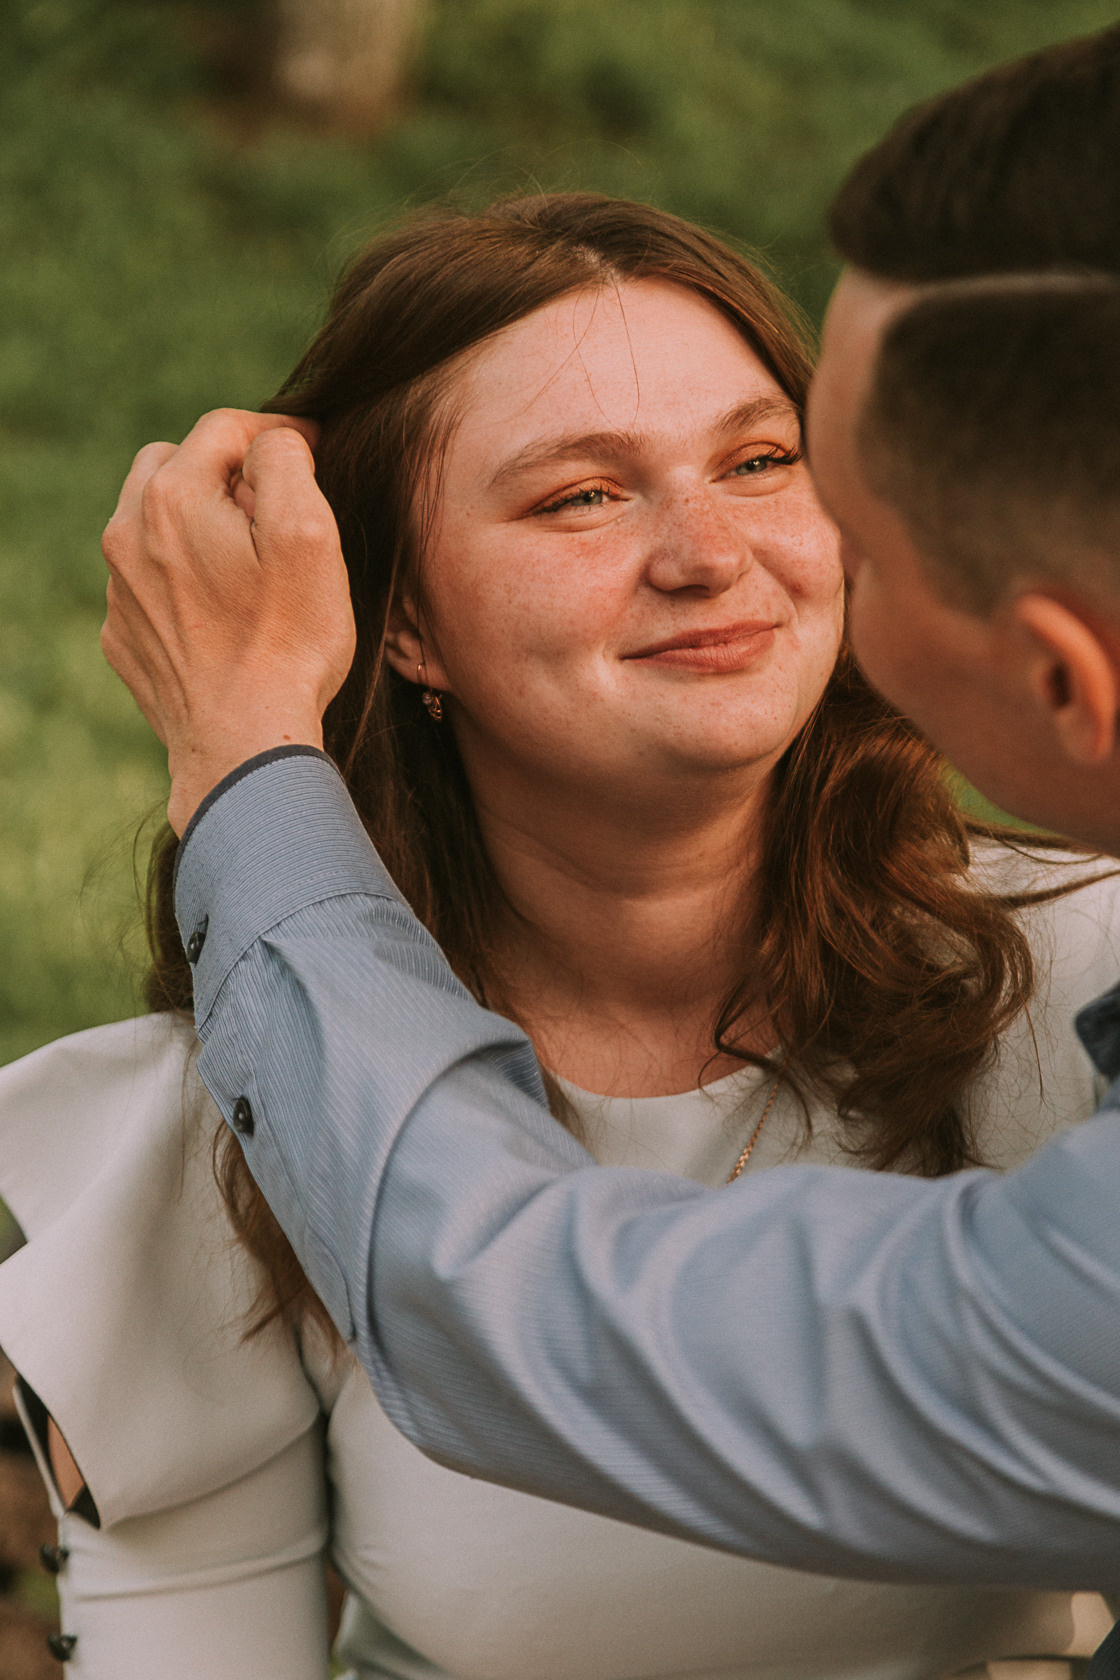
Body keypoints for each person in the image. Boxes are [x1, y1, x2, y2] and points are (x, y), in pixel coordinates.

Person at [8, 193, 1115, 1679]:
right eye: (581, 496)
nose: (709, 553)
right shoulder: (248, 1094)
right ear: (398, 622)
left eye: (762, 461)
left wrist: (236, 760)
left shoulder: (1072, 982)